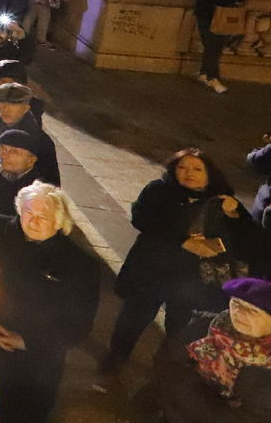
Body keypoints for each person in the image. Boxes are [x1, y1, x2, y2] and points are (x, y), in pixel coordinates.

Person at [102, 148, 269, 374]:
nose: (188, 173)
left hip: (191, 280)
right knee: (133, 319)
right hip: (152, 272)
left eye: (197, 169)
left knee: (179, 328)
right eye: (182, 167)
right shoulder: (158, 191)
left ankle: (165, 369)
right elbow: (142, 219)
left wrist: (236, 214)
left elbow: (249, 241)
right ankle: (116, 356)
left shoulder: (222, 200)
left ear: (210, 173)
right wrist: (182, 241)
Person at [0, 184, 101, 423]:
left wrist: (25, 341)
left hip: (33, 364)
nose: (33, 221)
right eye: (28, 212)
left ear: (60, 222)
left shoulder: (80, 265)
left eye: (44, 217)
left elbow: (78, 325)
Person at [155, 276, 271, 422]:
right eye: (236, 303)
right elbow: (167, 354)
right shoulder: (205, 325)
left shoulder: (266, 372)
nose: (239, 312)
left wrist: (181, 390)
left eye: (252, 311)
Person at [194, 0, 248, 95]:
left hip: (223, 18)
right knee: (212, 46)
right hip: (208, 16)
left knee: (214, 47)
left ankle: (204, 73)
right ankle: (213, 77)